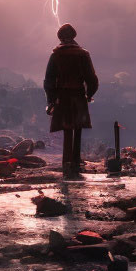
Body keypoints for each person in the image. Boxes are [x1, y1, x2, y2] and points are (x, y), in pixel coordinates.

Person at [43, 23, 98, 179]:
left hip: (63, 97)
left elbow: (48, 81)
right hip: (79, 95)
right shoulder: (83, 54)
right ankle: (75, 164)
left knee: (67, 129)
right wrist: (89, 95)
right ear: (74, 36)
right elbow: (92, 79)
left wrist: (51, 100)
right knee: (78, 128)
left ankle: (67, 164)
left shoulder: (56, 55)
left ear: (60, 37)